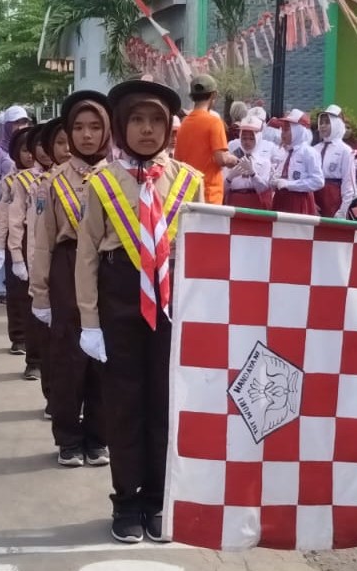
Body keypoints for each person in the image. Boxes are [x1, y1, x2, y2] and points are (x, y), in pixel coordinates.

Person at [75, 78, 204, 544]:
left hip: (174, 301)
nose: (147, 130)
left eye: (155, 121)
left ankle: (160, 498)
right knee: (124, 403)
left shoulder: (189, 181)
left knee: (166, 403)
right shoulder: (102, 183)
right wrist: (90, 321)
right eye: (136, 120)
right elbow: (87, 255)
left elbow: (206, 252)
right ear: (121, 126)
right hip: (120, 295)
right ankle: (127, 500)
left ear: (169, 128)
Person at [31, 90, 111, 467]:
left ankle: (98, 436)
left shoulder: (119, 177)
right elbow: (43, 240)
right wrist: (40, 292)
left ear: (108, 130)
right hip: (67, 265)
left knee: (104, 355)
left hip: (109, 268)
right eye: (78, 128)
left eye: (95, 127)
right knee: (68, 355)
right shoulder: (53, 182)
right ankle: (67, 437)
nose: (86, 135)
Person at [4, 123, 54, 381]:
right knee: (34, 305)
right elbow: (14, 220)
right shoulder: (25, 180)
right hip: (32, 246)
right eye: (38, 146)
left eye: (51, 144)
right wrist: (16, 256)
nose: (44, 151)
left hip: (63, 251)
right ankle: (34, 360)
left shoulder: (74, 177)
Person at [0, 106, 30, 301]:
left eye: (23, 122)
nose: (20, 126)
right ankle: (1, 288)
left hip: (26, 199)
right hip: (3, 198)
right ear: (7, 126)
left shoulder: (31, 146)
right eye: (15, 123)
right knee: (0, 242)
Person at [174, 74, 237, 205]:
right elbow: (222, 159)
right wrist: (234, 160)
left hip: (187, 193)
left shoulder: (183, 124)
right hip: (209, 194)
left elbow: (177, 162)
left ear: (192, 96)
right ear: (214, 95)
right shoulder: (214, 122)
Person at [270, 109, 324, 215]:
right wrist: (274, 180)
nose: (282, 134)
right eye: (282, 130)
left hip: (299, 200)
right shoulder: (284, 151)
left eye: (286, 130)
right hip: (281, 199)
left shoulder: (308, 152)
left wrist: (291, 184)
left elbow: (318, 181)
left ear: (297, 131)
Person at [314, 105, 357, 218]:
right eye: (321, 122)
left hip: (334, 198)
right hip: (314, 197)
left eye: (327, 122)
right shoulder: (314, 149)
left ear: (336, 124)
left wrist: (342, 210)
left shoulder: (345, 150)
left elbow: (348, 182)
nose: (322, 126)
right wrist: (311, 202)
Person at [223, 116, 273, 209]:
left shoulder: (264, 161)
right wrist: (230, 177)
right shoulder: (231, 159)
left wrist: (253, 174)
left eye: (251, 138)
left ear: (258, 138)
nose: (247, 142)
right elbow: (222, 188)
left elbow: (264, 188)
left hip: (255, 200)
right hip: (234, 200)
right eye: (244, 138)